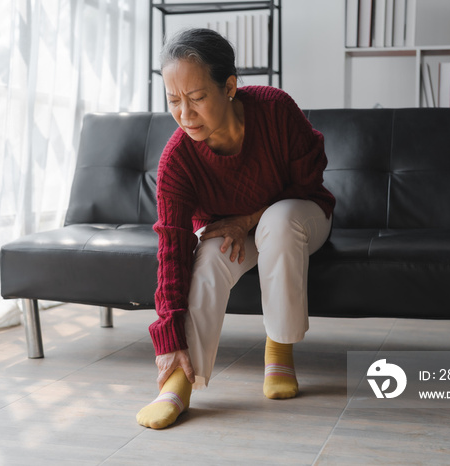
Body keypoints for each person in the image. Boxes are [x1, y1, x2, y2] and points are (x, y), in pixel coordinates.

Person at [136, 28, 336, 429]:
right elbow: (172, 249)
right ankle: (180, 379)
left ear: (228, 87)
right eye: (174, 100)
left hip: (301, 219)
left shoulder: (275, 110)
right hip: (233, 232)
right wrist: (168, 339)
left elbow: (309, 181)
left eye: (196, 98)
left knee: (278, 222)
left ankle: (279, 349)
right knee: (207, 258)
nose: (185, 114)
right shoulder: (177, 161)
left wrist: (249, 217)